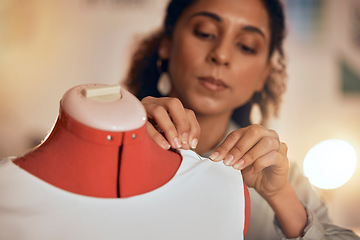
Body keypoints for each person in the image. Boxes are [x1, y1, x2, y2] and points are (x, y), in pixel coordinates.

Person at [124, 0, 360, 239]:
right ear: (167, 44)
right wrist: (117, 141)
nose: (221, 55)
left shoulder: (280, 177)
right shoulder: (115, 136)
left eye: (246, 46)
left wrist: (281, 196)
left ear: (263, 75)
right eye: (205, 33)